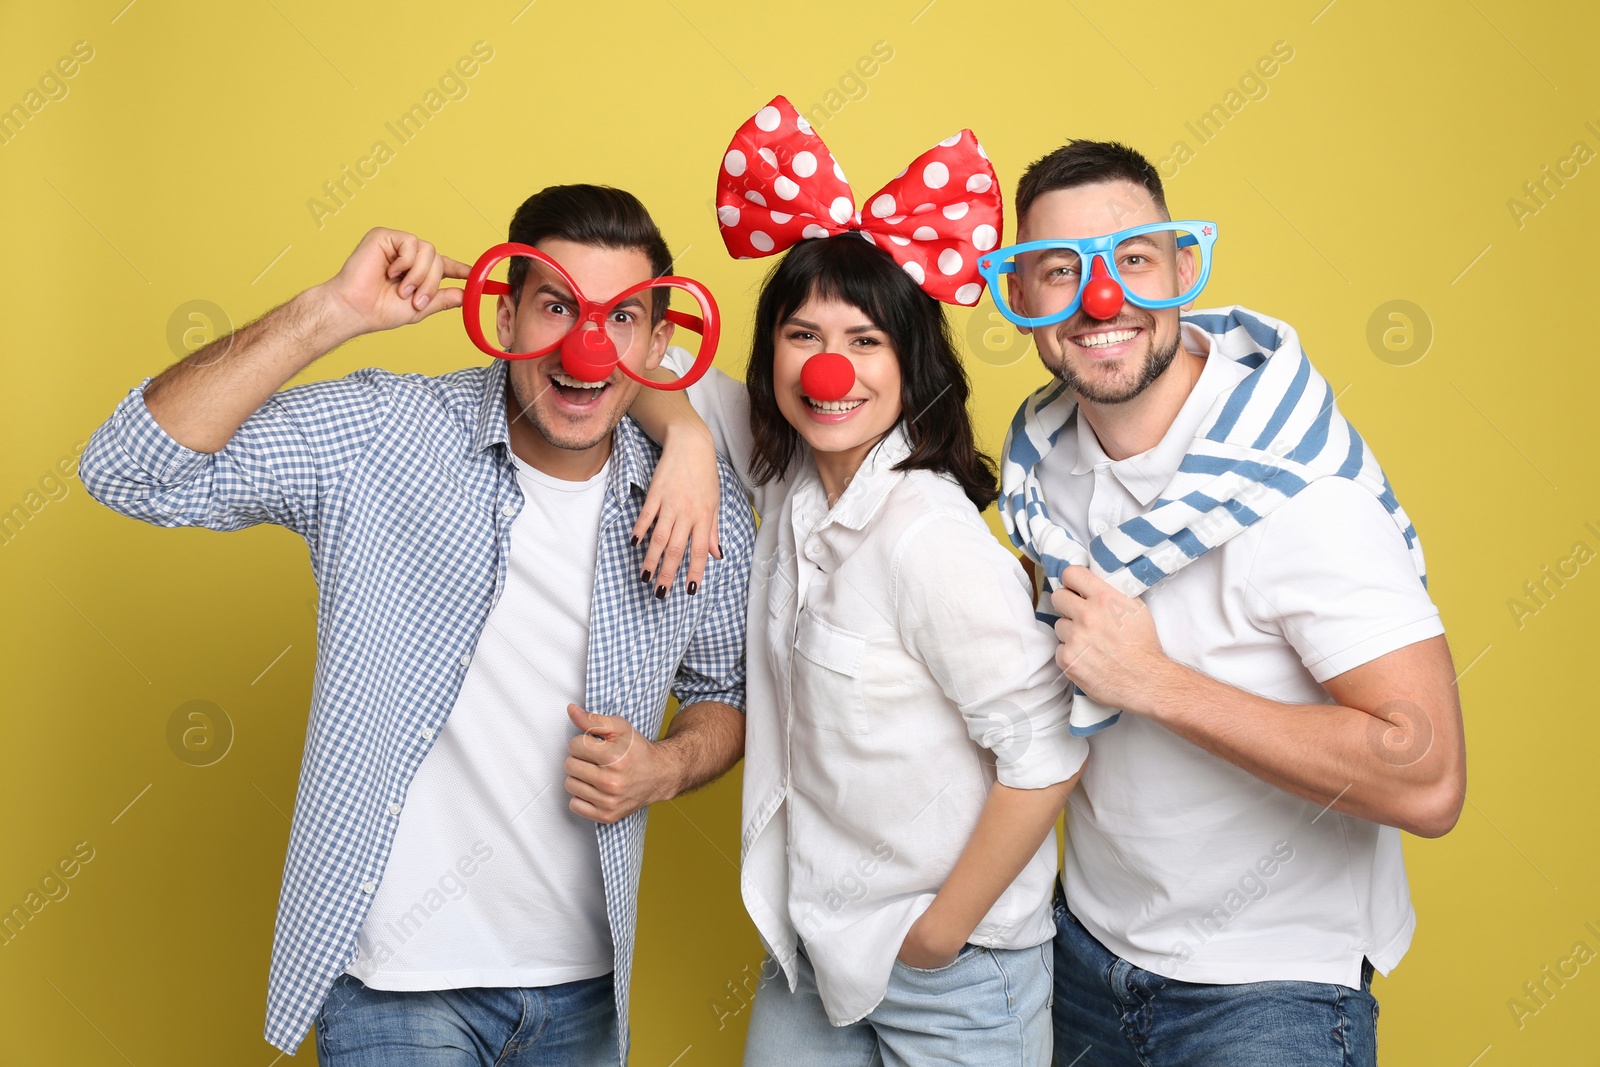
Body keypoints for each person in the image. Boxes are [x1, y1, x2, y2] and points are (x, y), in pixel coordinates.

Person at [77, 184, 755, 1067]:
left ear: (659, 345)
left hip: (586, 993)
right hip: (397, 989)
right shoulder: (386, 432)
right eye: (556, 306)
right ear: (505, 316)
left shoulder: (693, 500)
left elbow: (725, 690)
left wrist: (666, 765)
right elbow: (131, 469)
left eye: (621, 316)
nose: (586, 344)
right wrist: (329, 312)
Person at [986, 140, 1466, 1066]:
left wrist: (1157, 681)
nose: (1100, 300)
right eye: (1060, 271)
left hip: (1271, 988)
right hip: (1082, 952)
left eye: (1131, 259)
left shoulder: (1305, 494)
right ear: (1024, 299)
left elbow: (1430, 777)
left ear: (1181, 271)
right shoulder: (1044, 470)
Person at [634, 97, 1086, 1066]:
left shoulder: (930, 536)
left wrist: (935, 935)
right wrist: (681, 436)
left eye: (864, 341)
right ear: (771, 355)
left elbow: (1046, 751)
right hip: (813, 949)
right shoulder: (785, 473)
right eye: (803, 336)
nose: (829, 370)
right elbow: (637, 355)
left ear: (908, 361)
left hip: (952, 968)